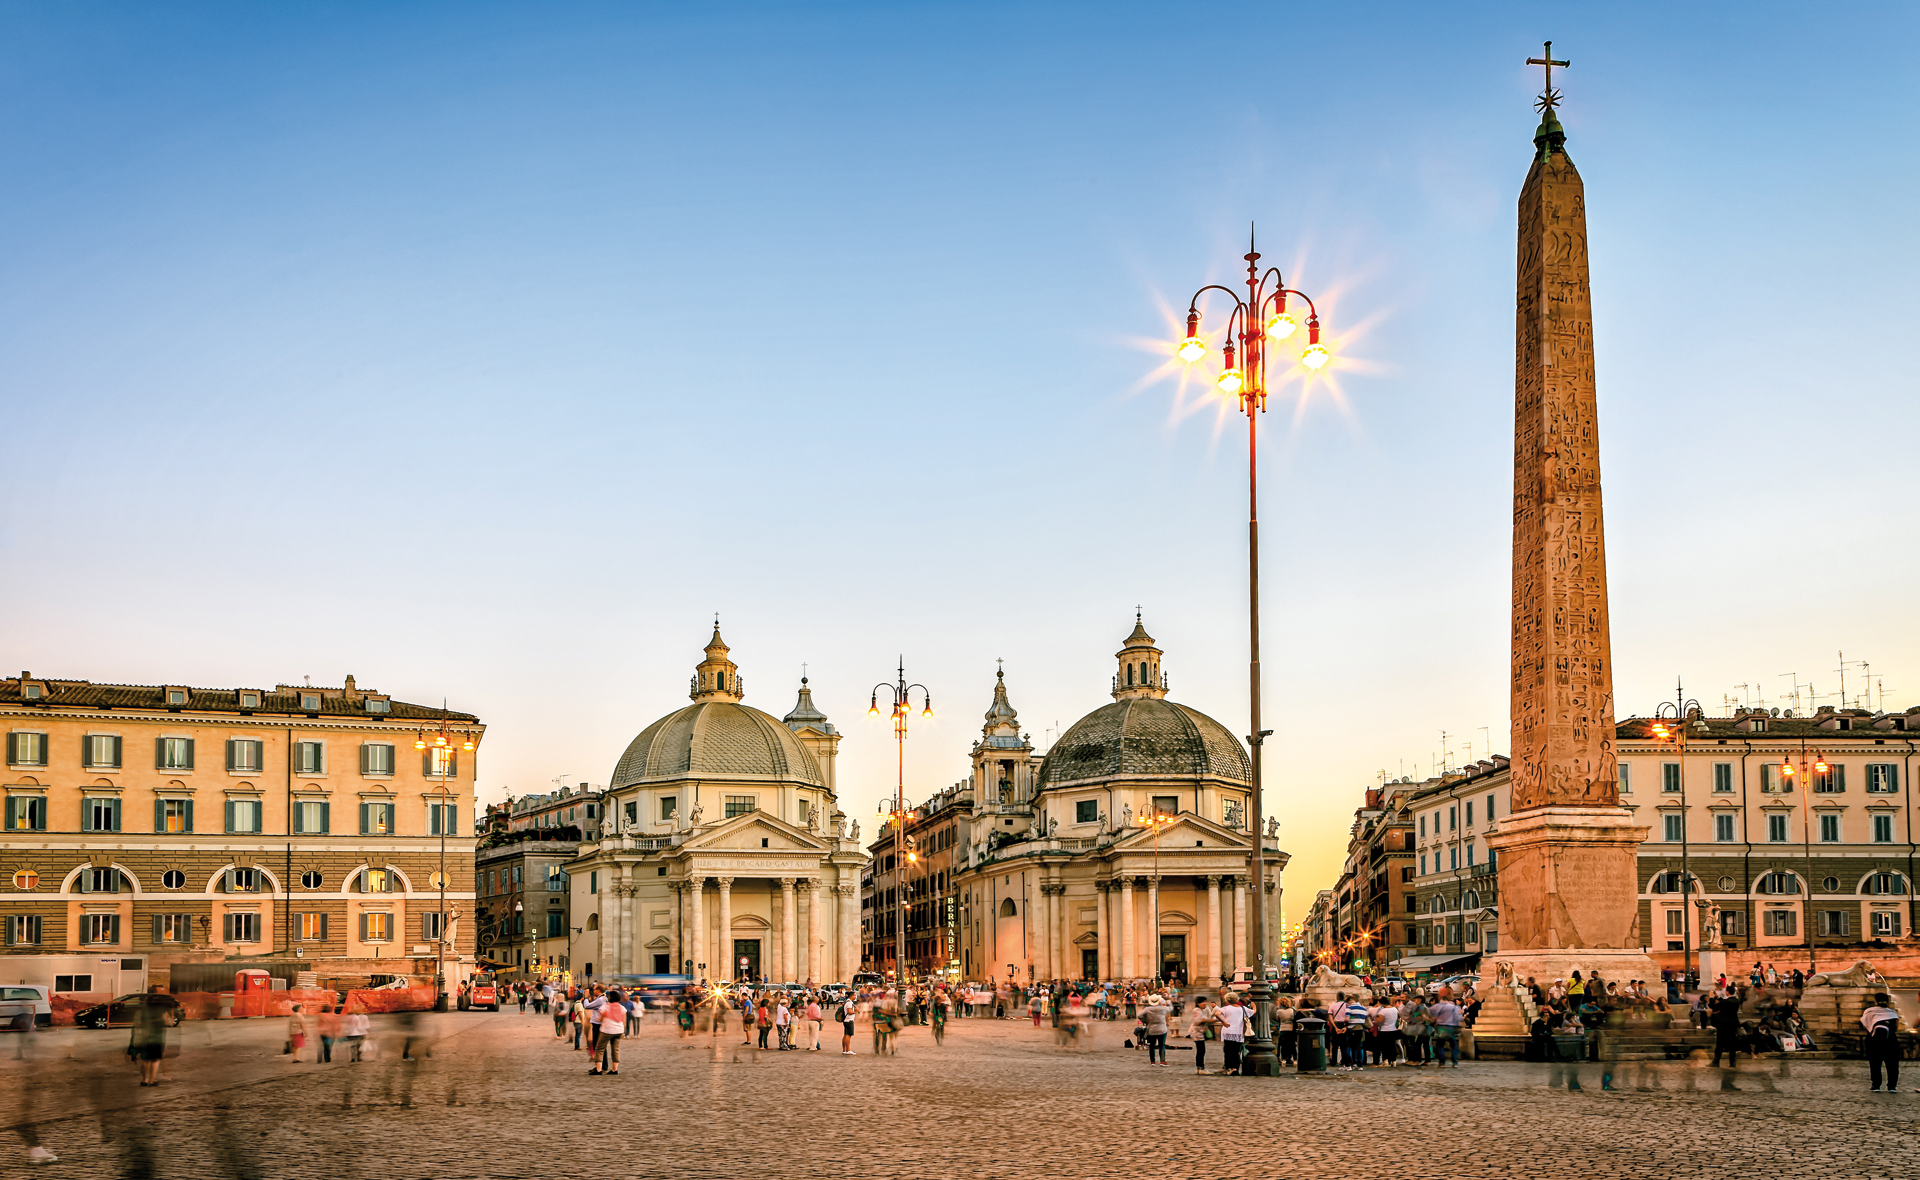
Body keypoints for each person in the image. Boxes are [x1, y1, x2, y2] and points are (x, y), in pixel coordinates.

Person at [1863, 993, 1902, 1093]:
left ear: (1876, 1001)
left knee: (1875, 1063)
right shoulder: (1892, 1013)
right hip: (1890, 1039)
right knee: (1892, 1064)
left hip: (1874, 1039)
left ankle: (1876, 1085)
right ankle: (1892, 1086)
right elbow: (1896, 1027)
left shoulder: (1869, 1011)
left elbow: (1866, 1025)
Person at [129, 988, 169, 1085]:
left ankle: (144, 1080)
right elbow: (168, 1022)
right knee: (155, 1060)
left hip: (145, 1038)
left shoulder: (141, 1011)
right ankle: (152, 1080)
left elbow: (137, 1024)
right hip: (157, 1038)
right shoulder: (162, 1011)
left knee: (145, 1059)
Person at [591, 988, 627, 1075]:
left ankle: (599, 1069)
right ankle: (614, 1069)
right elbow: (624, 1020)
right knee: (615, 1049)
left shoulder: (605, 1007)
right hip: (619, 1030)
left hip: (607, 1030)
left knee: (599, 1048)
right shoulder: (622, 1008)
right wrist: (623, 1032)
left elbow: (600, 1018)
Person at [1184, 996, 1219, 1074]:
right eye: (1202, 1002)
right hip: (1197, 1033)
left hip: (1200, 1032)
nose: (1205, 1003)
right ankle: (1201, 1068)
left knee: (1201, 1050)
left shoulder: (1202, 1010)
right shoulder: (1197, 1010)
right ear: (1198, 1003)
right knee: (1201, 1050)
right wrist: (1213, 1020)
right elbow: (1201, 1020)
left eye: (1205, 1002)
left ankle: (1199, 1068)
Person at [1216, 994, 1248, 1074]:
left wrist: (1223, 1021)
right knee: (1236, 1051)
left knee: (1228, 1051)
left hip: (1228, 1032)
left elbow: (1217, 1013)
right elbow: (1253, 1012)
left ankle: (1228, 1067)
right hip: (1238, 1033)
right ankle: (1235, 1068)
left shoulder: (1226, 1008)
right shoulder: (1243, 1009)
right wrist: (1254, 1006)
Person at [1429, 992, 1462, 1068]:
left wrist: (1433, 1018)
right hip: (1450, 1027)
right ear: (1447, 1000)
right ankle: (1455, 1062)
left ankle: (1442, 1062)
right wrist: (1458, 1025)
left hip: (1441, 1027)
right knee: (1453, 1045)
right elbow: (1457, 1017)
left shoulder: (1437, 1006)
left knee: (1440, 1045)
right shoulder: (1452, 1007)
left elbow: (1428, 1011)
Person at [1139, 993, 1172, 1066]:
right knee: (1161, 1045)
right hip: (1161, 1029)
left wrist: (1145, 1020)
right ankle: (1162, 1061)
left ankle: (1152, 1062)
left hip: (1151, 1029)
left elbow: (1139, 1015)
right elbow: (1170, 1008)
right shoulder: (1162, 1009)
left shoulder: (1147, 1009)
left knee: (1152, 1046)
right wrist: (1168, 1002)